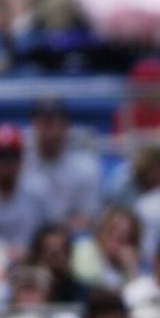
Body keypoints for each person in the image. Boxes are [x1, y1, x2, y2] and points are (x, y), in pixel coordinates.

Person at [23, 98, 102, 233]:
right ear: (33, 124)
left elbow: (89, 218)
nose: (49, 125)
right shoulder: (19, 165)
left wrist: (55, 227)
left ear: (66, 125)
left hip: (71, 240)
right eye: (43, 119)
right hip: (28, 240)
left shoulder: (85, 168)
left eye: (54, 119)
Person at [0, 124, 52, 258]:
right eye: (0, 155)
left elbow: (51, 234)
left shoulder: (38, 190)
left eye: (12, 156)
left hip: (31, 264)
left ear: (21, 158)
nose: (6, 163)